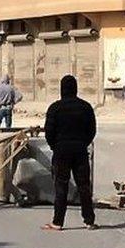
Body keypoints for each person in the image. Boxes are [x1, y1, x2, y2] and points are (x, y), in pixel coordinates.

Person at [42, 75, 98, 231]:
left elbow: (49, 132)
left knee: (61, 186)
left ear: (61, 89)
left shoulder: (55, 108)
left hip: (61, 152)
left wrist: (55, 146)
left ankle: (58, 222)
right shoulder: (85, 107)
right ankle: (89, 220)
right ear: (76, 88)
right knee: (84, 186)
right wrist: (82, 144)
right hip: (80, 151)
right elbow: (92, 131)